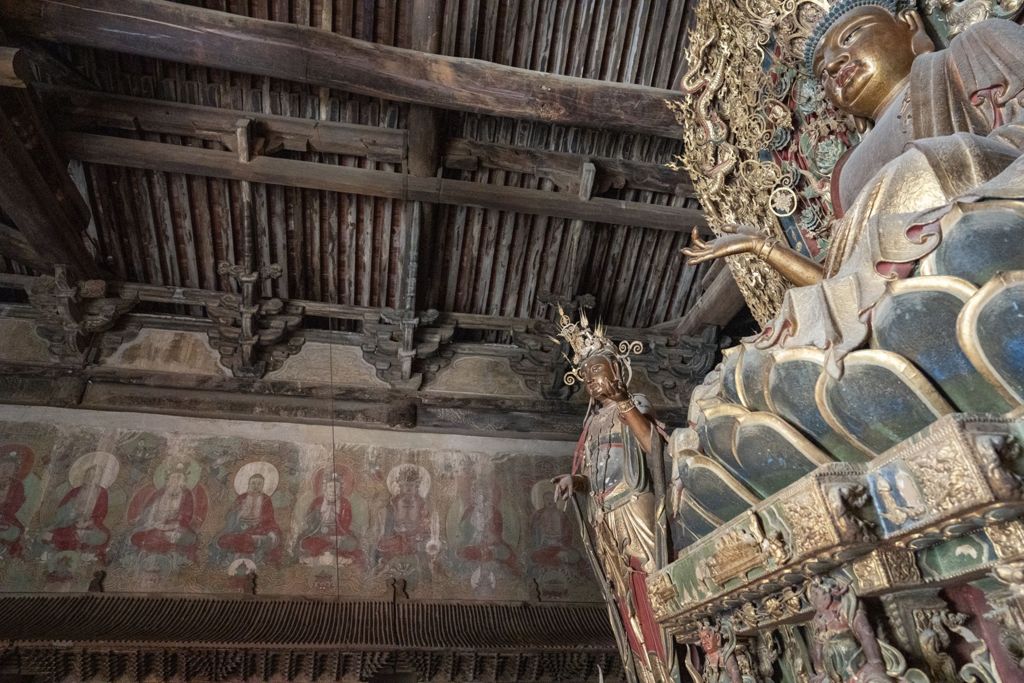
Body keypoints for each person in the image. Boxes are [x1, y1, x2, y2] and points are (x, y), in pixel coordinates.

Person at [683, 5, 1024, 372]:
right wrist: (762, 247)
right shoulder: (845, 174)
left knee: (917, 171)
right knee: (761, 355)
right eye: (821, 71)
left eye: (851, 36)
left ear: (909, 25)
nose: (832, 65)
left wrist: (932, 168)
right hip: (902, 307)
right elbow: (845, 286)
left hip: (986, 245)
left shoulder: (970, 49)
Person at [550, 308, 679, 683]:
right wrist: (575, 482)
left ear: (618, 371)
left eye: (598, 370)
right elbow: (590, 472)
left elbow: (653, 446)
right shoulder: (591, 423)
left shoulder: (634, 403)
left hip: (633, 499)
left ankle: (671, 648)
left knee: (652, 571)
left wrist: (623, 401)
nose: (591, 379)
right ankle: (646, 662)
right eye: (586, 375)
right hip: (603, 511)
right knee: (622, 588)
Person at [128, 463, 199, 563]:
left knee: (186, 538)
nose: (176, 481)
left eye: (179, 478)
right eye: (173, 478)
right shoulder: (160, 492)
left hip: (175, 527)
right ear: (168, 480)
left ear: (183, 481)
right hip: (154, 524)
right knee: (137, 537)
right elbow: (149, 509)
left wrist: (170, 525)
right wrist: (150, 520)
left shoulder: (186, 494)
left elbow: (187, 515)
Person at [212, 472, 281, 565]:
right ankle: (235, 557)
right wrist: (239, 512)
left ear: (263, 485)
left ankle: (249, 556)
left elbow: (269, 518)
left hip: (259, 529)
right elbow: (230, 516)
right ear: (249, 484)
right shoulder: (241, 497)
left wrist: (271, 531)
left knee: (265, 539)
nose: (256, 486)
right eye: (253, 483)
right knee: (223, 539)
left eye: (259, 484)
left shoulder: (266, 499)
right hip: (239, 529)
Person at [296, 472, 361, 564]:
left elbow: (346, 524)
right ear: (325, 488)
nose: (333, 490)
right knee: (304, 541)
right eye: (330, 487)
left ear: (341, 490)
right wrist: (317, 513)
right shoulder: (317, 502)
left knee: (352, 543)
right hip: (319, 535)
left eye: (336, 487)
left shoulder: (344, 503)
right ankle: (328, 551)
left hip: (339, 536)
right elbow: (310, 522)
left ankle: (329, 550)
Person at [0, 450, 26, 558]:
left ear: (15, 471)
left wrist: (3, 515)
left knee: (16, 531)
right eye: (3, 466)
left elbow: (15, 505)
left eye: (10, 468)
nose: (6, 470)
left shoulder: (17, 485)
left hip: (6, 516)